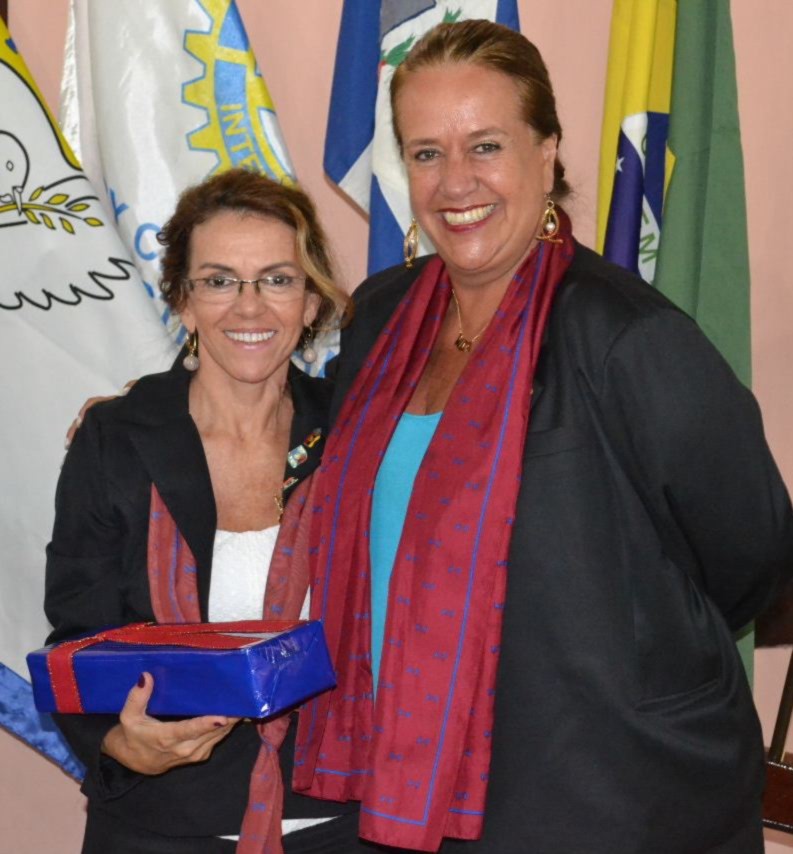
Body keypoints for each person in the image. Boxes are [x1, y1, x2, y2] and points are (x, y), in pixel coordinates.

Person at [273, 20, 793, 854]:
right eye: (426, 152)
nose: (455, 182)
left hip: (611, 794)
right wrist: (153, 410)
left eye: (485, 145)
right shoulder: (379, 317)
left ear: (546, 154)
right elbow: (314, 453)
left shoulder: (625, 337)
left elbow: (751, 554)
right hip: (410, 781)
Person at [44, 169, 357, 854]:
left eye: (277, 279)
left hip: (339, 819)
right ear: (183, 302)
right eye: (219, 281)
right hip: (157, 822)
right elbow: (76, 634)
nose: (249, 307)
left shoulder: (359, 433)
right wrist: (119, 741)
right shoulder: (117, 438)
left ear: (311, 302)